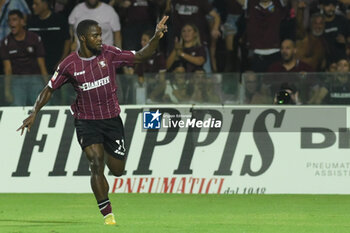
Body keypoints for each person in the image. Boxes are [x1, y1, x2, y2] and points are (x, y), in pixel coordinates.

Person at [17, 16, 169, 225]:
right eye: (95, 35)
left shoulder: (110, 54)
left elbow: (142, 55)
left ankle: (106, 152)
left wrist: (156, 36)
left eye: (100, 34)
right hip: (86, 121)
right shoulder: (69, 64)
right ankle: (108, 214)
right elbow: (49, 88)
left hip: (111, 119)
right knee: (95, 163)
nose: (100, 38)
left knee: (117, 170)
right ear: (82, 38)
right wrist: (35, 111)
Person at [0, 9, 48, 106]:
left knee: (44, 105)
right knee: (17, 106)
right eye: (9, 20)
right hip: (17, 81)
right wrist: (7, 91)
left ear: (22, 22)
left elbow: (41, 65)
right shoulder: (5, 42)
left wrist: (48, 87)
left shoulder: (34, 38)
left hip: (35, 79)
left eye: (14, 20)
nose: (11, 23)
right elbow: (8, 69)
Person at [28, 0, 71, 74]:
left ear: (45, 5)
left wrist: (62, 61)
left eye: (36, 4)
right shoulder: (31, 22)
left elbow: (67, 41)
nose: (33, 6)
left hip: (57, 67)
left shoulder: (60, 20)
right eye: (33, 4)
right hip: (36, 69)